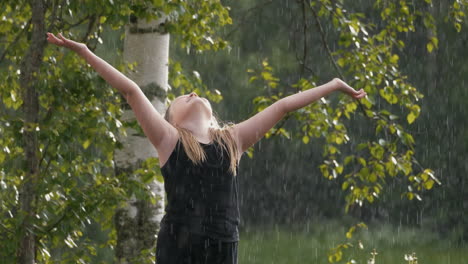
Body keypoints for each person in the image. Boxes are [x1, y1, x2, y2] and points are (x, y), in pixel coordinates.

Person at [46, 32, 367, 264]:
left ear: (212, 114)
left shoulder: (232, 141)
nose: (193, 93)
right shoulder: (169, 140)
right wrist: (85, 51)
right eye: (183, 96)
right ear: (172, 121)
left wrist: (335, 85)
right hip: (178, 246)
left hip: (223, 246)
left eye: (194, 94)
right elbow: (130, 90)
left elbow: (283, 106)